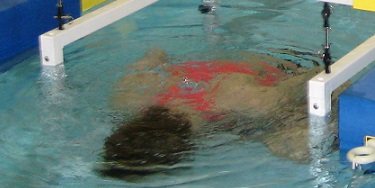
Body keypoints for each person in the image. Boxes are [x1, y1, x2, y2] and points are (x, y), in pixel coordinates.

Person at [100, 48, 325, 177]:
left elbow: (316, 77)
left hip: (289, 61)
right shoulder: (127, 95)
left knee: (296, 148)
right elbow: (155, 54)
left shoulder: (245, 100)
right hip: (240, 66)